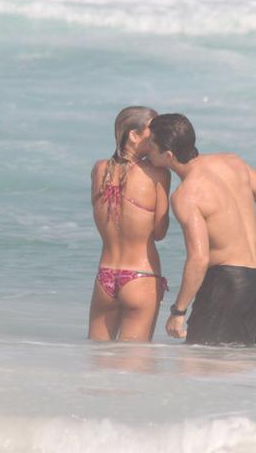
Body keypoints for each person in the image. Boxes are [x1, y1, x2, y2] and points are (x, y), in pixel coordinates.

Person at [147, 113, 256, 345]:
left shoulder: (186, 195)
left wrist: (178, 312)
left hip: (227, 286)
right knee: (234, 370)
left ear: (167, 155)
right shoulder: (233, 161)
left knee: (199, 368)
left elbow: (199, 259)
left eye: (150, 145)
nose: (146, 150)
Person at [88, 106, 171, 341]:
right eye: (153, 131)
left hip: (105, 276)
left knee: (97, 360)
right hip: (140, 276)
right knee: (134, 365)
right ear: (133, 135)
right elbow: (159, 232)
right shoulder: (158, 174)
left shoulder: (99, 169)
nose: (159, 138)